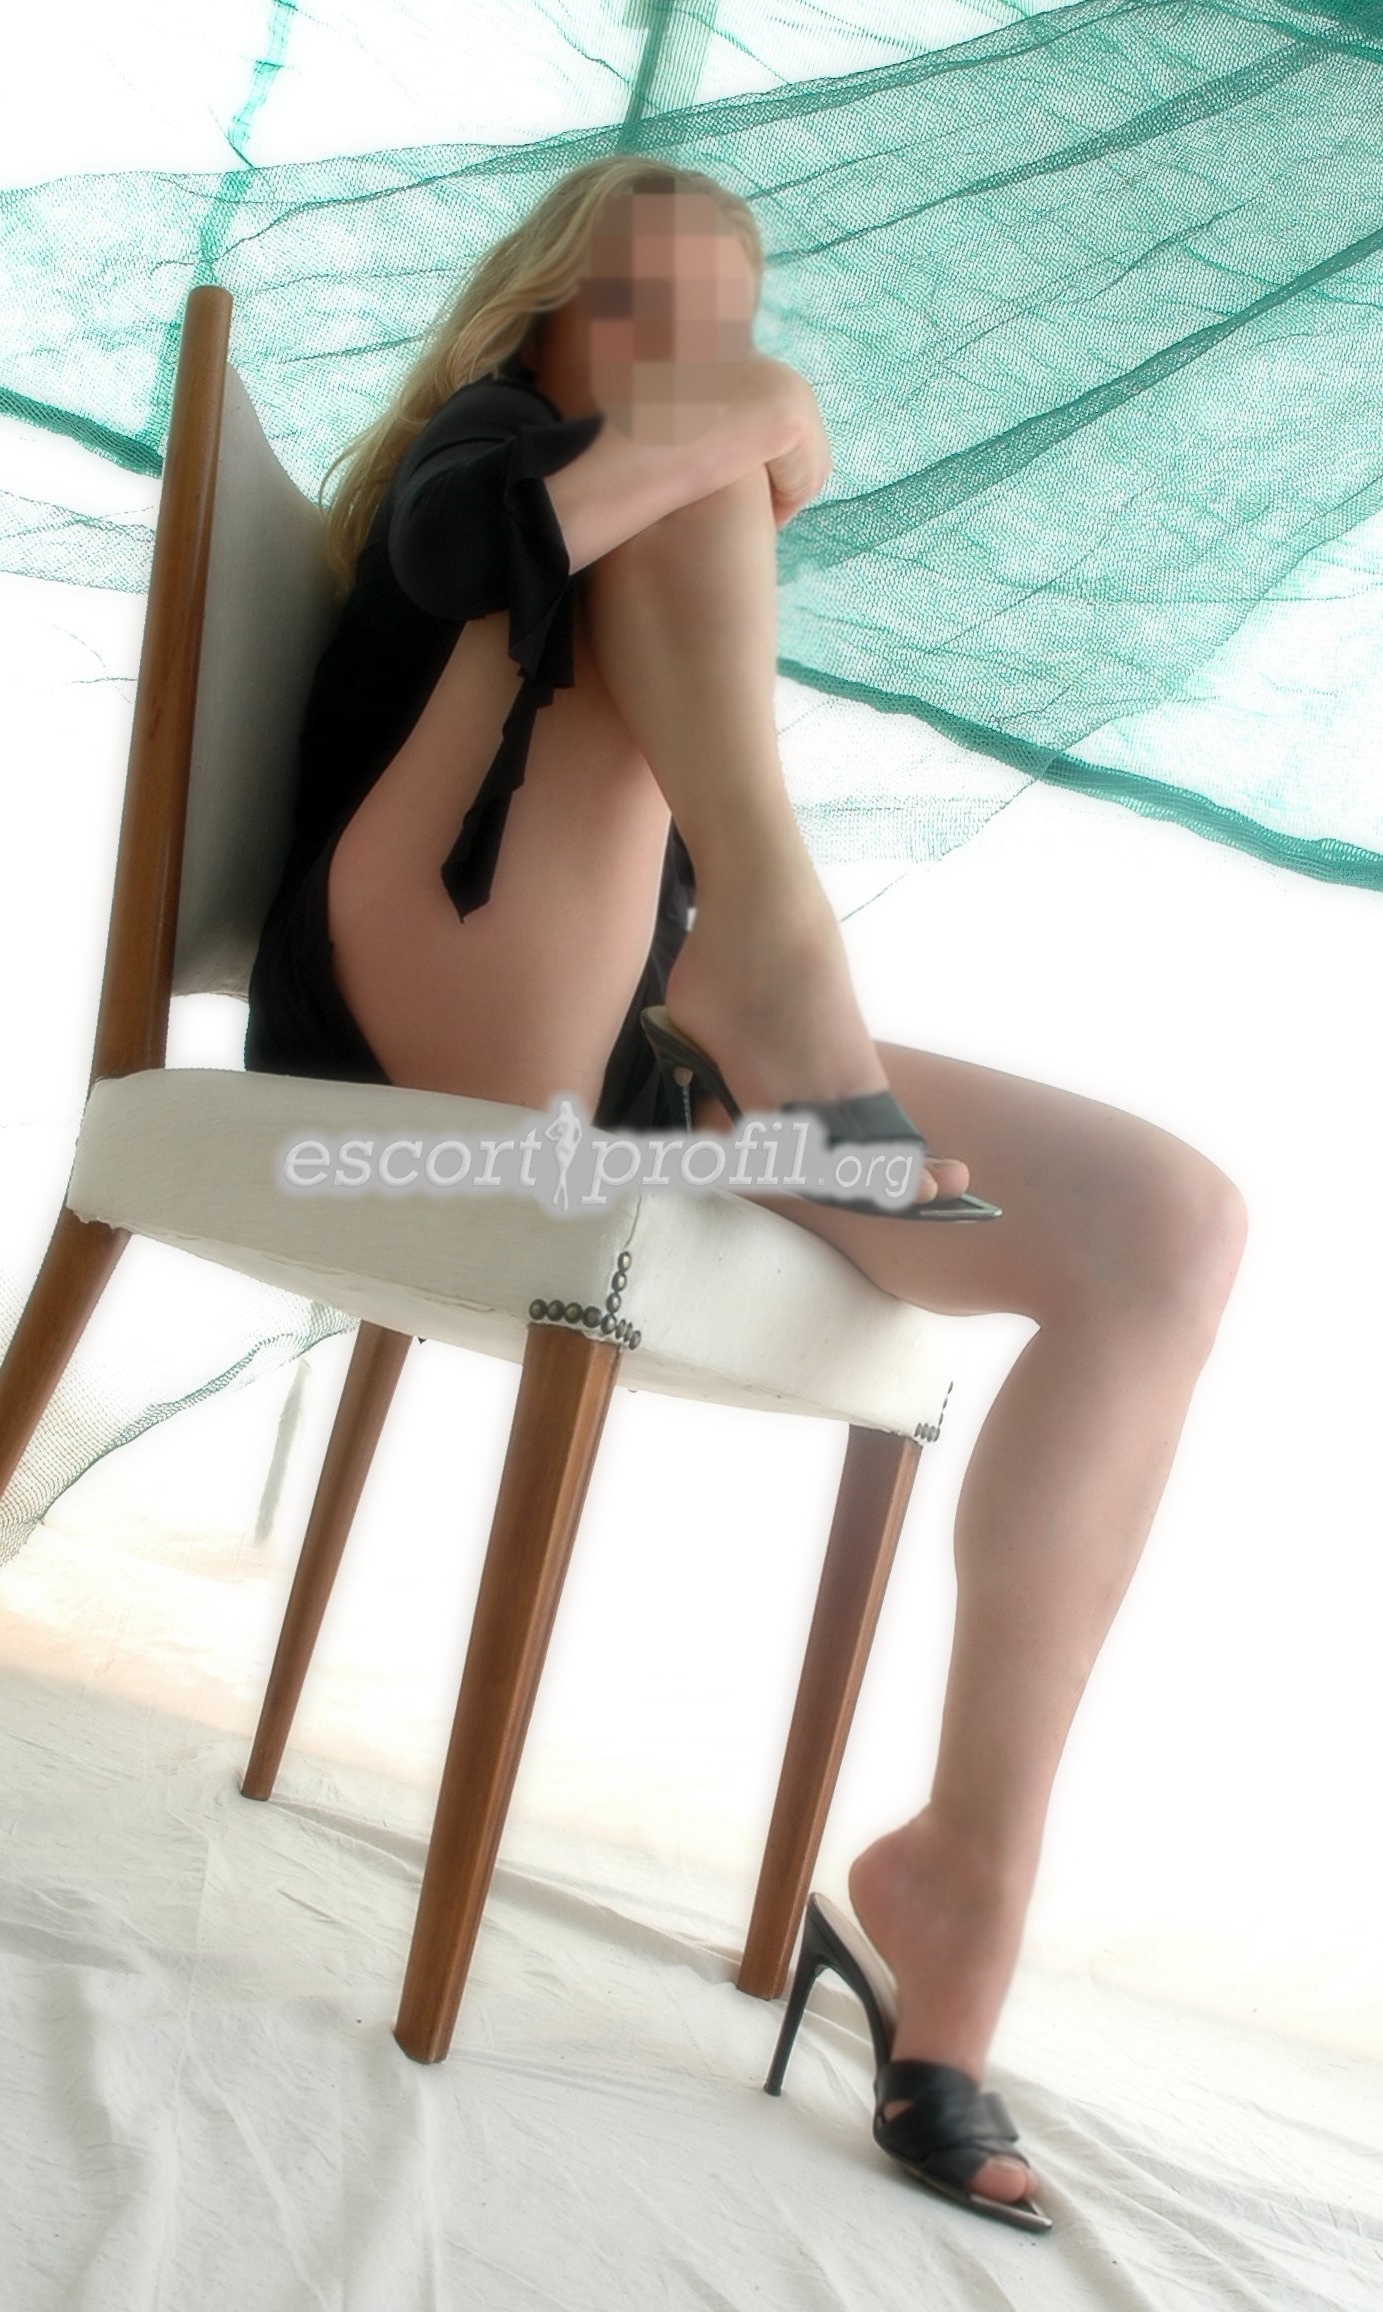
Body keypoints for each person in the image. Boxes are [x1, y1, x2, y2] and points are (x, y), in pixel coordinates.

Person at [245, 155, 1248, 2229]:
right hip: (422, 1002)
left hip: (626, 1051)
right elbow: (473, 541)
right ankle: (790, 996)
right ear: (531, 313)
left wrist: (743, 412)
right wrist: (761, 408)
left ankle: (956, 1897)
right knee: (676, 470)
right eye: (637, 295)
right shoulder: (485, 445)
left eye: (728, 306)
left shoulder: (673, 501)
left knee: (1166, 1224)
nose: (688, 335)